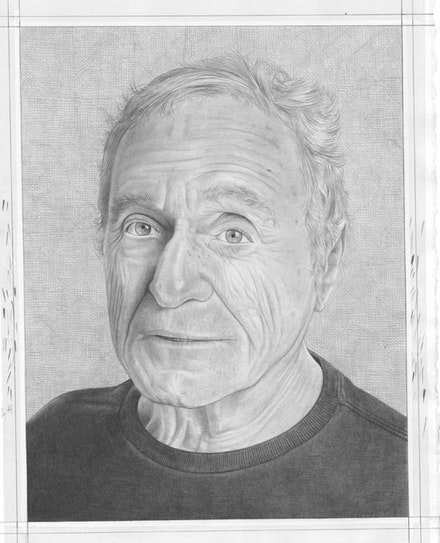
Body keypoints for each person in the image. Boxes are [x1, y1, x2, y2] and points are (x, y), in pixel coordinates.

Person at [27, 55, 407, 521]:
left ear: (324, 262)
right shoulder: (42, 452)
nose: (170, 285)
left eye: (232, 234)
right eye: (141, 227)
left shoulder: (407, 482)